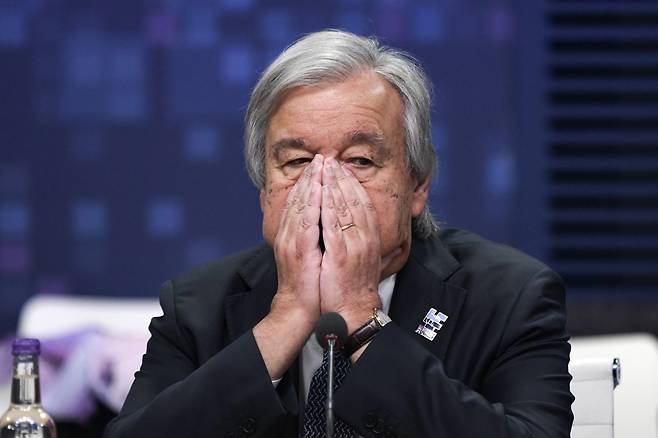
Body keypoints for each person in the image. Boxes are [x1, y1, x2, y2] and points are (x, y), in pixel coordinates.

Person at [104, 30, 574, 438]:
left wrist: (360, 317)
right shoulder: (197, 306)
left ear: (417, 186)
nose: (326, 185)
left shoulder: (510, 297)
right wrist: (286, 317)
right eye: (297, 162)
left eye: (360, 160)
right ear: (265, 192)